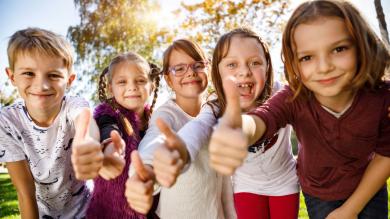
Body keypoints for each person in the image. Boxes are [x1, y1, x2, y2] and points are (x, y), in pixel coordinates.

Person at [209, 1, 390, 218]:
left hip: (368, 186)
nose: (324, 67)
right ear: (294, 64)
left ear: (362, 46)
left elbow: (386, 153)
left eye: (339, 49)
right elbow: (265, 117)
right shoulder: (295, 97)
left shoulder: (381, 98)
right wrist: (241, 129)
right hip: (320, 193)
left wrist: (349, 210)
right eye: (307, 57)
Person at [126, 39, 235, 218]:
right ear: (168, 79)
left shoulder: (218, 109)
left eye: (198, 65)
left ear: (208, 68)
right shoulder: (166, 114)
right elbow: (155, 139)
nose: (190, 72)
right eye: (179, 68)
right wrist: (145, 170)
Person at [0, 27, 101, 218]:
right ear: (12, 76)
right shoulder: (7, 122)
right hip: (42, 213)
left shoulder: (73, 104)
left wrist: (85, 142)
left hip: (86, 211)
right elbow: (25, 193)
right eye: (29, 73)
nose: (42, 85)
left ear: (69, 80)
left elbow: (84, 120)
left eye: (54, 75)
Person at [82, 52, 160, 218]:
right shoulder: (108, 115)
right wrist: (111, 149)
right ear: (111, 88)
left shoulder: (157, 121)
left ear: (151, 86)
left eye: (140, 80)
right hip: (109, 212)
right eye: (122, 82)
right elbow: (108, 130)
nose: (132, 87)